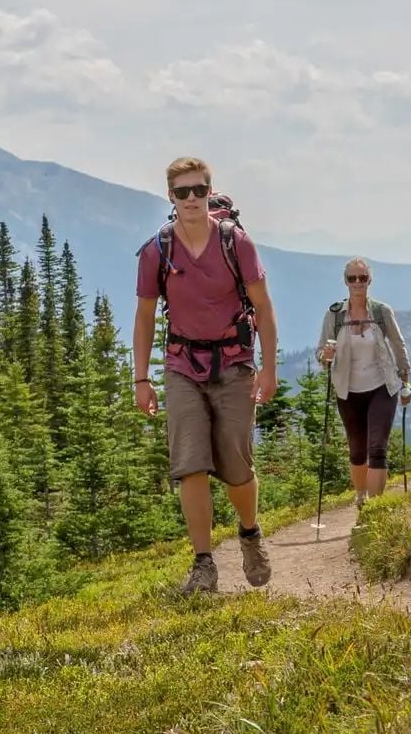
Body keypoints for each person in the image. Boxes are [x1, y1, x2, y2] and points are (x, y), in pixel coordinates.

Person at [134, 156, 280, 594]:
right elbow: (143, 317)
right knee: (190, 465)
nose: (192, 198)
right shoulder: (157, 250)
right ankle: (203, 564)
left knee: (237, 467)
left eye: (199, 190)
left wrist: (268, 368)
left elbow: (264, 309)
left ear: (209, 191)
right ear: (171, 197)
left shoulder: (237, 243)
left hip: (234, 365)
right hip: (182, 366)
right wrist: (141, 379)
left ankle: (250, 533)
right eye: (183, 192)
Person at [316, 257, 411, 505]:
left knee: (377, 448)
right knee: (357, 450)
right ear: (345, 281)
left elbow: (399, 346)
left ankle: (375, 506)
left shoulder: (381, 312)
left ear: (370, 280)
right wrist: (325, 356)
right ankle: (361, 498)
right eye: (352, 278)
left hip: (383, 387)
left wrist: (406, 382)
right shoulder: (334, 315)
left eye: (362, 278)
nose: (357, 283)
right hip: (348, 391)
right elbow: (321, 354)